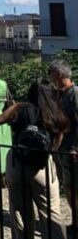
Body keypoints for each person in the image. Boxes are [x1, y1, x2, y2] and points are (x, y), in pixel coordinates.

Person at [0, 81, 68, 239]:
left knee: (20, 214)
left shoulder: (21, 109)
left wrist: (14, 106)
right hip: (42, 166)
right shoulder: (55, 113)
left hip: (17, 163)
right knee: (51, 213)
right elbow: (58, 140)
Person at [50, 59, 78, 221]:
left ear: (59, 74)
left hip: (72, 151)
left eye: (51, 73)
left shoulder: (74, 93)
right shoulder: (61, 94)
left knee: (73, 188)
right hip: (64, 150)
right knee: (69, 187)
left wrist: (75, 147)